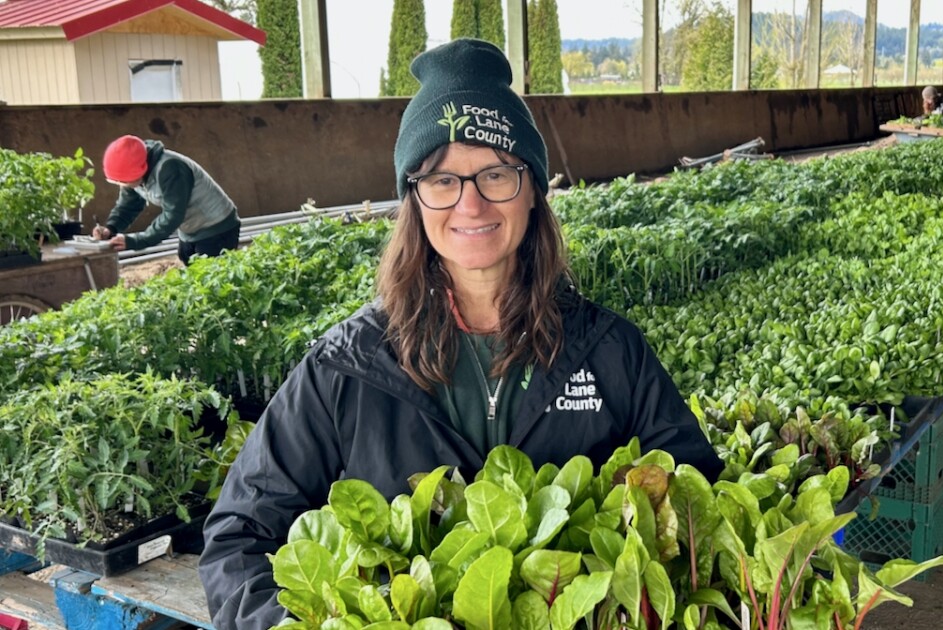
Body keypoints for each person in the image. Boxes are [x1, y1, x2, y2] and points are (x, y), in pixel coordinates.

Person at [198, 39, 722, 630]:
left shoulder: (612, 352)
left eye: (495, 174)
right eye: (442, 180)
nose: (470, 204)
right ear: (414, 199)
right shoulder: (347, 366)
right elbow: (239, 536)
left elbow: (695, 494)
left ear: (533, 190)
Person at [93, 135, 241, 264]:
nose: (123, 185)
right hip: (190, 229)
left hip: (217, 227)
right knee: (189, 264)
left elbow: (172, 215)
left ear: (141, 169)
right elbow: (128, 205)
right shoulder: (133, 175)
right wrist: (111, 228)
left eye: (125, 181)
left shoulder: (171, 169)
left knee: (210, 278)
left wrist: (137, 240)